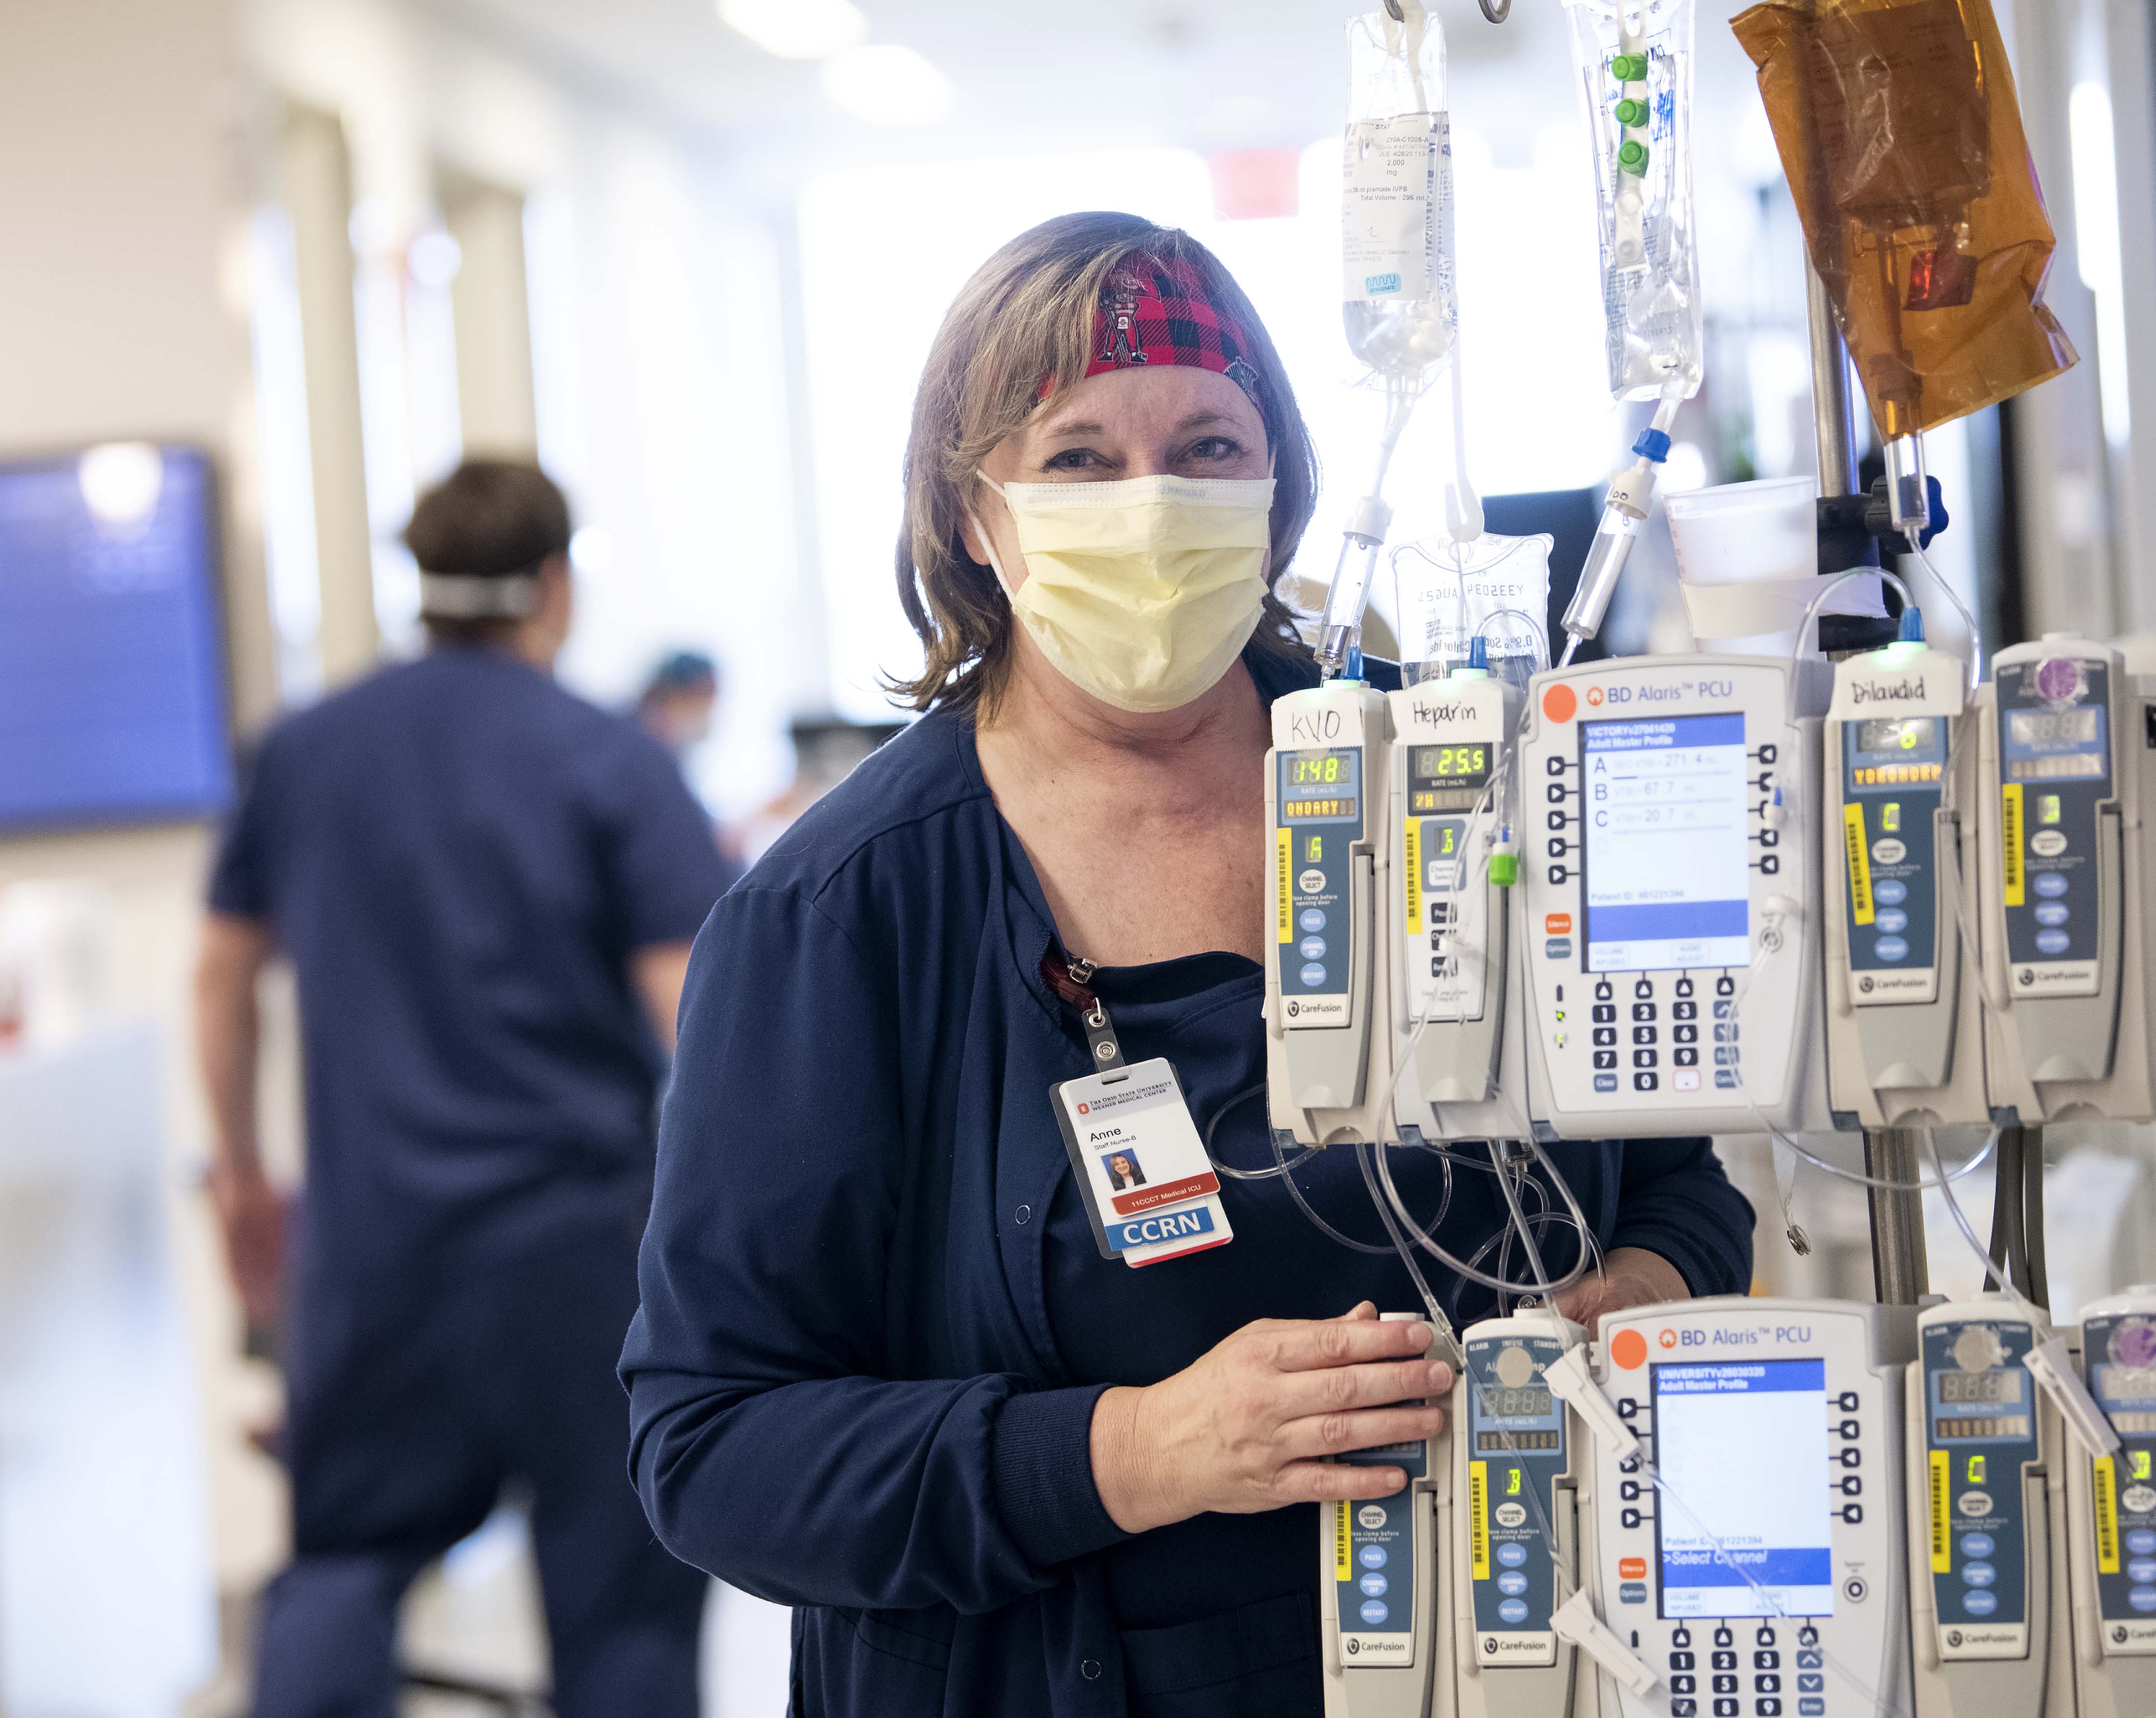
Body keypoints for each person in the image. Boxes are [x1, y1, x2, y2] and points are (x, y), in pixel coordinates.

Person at [620, 214, 1755, 1717]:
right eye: (1079, 457)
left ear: (1281, 492)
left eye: (1210, 446)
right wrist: (1140, 1451)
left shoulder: (1466, 777)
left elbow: (1679, 1164)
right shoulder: (840, 913)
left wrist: (1642, 1283)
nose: (1151, 503)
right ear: (974, 513)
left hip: (1519, 1647)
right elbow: (712, 1448)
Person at [200, 459, 735, 1716]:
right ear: (554, 584)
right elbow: (702, 1023)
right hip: (579, 1261)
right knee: (625, 1612)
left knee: (340, 1563)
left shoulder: (305, 750)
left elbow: (219, 982)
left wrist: (239, 1179)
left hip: (375, 1252)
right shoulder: (611, 759)